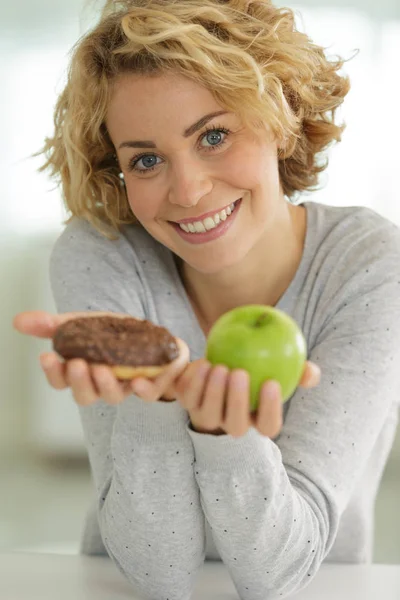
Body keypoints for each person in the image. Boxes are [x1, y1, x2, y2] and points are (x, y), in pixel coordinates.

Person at [13, 0, 400, 598]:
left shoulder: (369, 264)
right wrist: (156, 400)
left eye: (214, 135)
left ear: (279, 116)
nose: (188, 190)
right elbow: (157, 572)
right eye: (146, 160)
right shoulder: (104, 254)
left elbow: (279, 571)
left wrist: (225, 434)